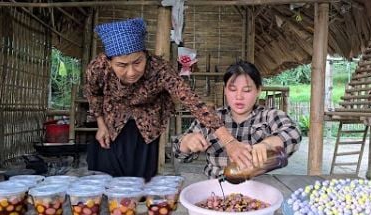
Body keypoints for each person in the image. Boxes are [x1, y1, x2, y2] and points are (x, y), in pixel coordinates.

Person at [84, 18, 252, 181]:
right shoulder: (98, 68)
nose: (131, 72)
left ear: (145, 55)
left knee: (141, 179)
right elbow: (93, 94)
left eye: (137, 62)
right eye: (122, 65)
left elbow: (192, 101)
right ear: (109, 61)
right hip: (112, 117)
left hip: (147, 121)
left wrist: (229, 142)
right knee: (106, 175)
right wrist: (101, 124)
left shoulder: (160, 69)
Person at [173, 60, 302, 178]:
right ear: (225, 90)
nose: (239, 96)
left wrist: (267, 144)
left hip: (257, 190)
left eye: (246, 90)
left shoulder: (269, 116)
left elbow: (294, 133)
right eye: (233, 89)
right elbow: (178, 154)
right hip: (215, 189)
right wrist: (187, 142)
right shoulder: (211, 118)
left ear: (258, 91)